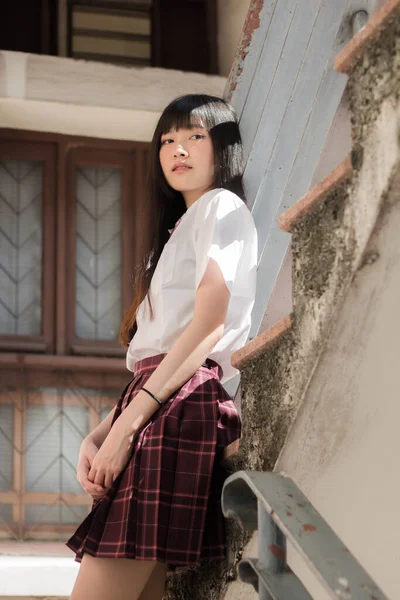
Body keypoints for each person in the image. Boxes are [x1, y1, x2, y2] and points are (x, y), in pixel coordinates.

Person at [66, 93, 258, 600]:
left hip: (177, 405)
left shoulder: (222, 206)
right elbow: (160, 350)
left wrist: (128, 428)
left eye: (195, 136)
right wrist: (103, 431)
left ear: (223, 148)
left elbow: (208, 325)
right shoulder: (175, 233)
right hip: (158, 401)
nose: (178, 149)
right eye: (167, 140)